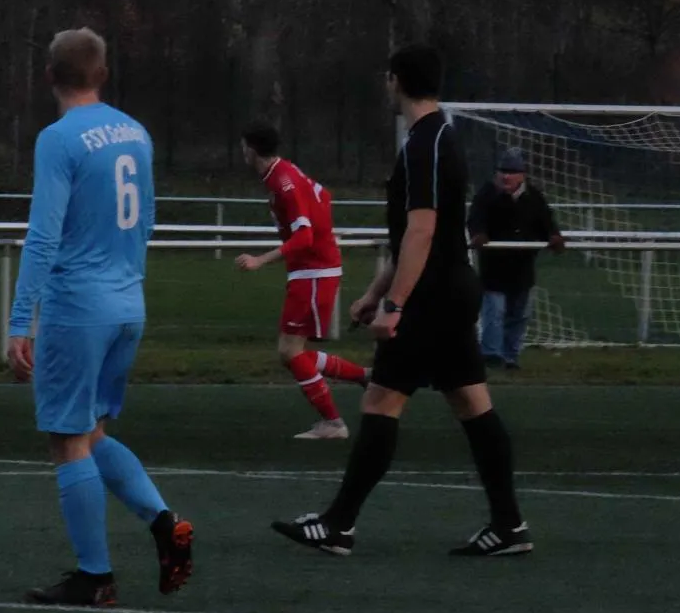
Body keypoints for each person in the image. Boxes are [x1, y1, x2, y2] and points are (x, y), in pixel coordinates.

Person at [273, 45, 531, 558]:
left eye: (387, 77)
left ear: (396, 80)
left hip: (433, 297)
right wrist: (375, 293)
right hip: (447, 290)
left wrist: (394, 304)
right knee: (471, 402)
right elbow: (417, 235)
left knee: (381, 401)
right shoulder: (431, 139)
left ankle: (338, 525)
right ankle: (509, 527)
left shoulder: (427, 143)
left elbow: (422, 232)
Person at [7, 29, 193, 607]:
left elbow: (43, 236)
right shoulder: (135, 132)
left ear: (48, 76)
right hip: (127, 303)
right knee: (92, 431)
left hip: (78, 307)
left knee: (67, 439)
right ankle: (163, 522)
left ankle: (95, 577)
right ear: (103, 74)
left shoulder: (58, 138)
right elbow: (148, 219)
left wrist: (20, 320)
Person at [233, 121, 369, 439]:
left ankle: (333, 423)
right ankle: (364, 376)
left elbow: (304, 236)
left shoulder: (283, 182)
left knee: (290, 351)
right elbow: (324, 196)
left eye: (243, 146)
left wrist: (260, 260)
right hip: (313, 270)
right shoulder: (283, 172)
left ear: (251, 150)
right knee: (293, 350)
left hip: (314, 272)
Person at [468, 148, 565, 369]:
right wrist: (478, 234)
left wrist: (553, 236)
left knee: (519, 314)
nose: (506, 176)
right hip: (493, 268)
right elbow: (475, 218)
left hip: (523, 268)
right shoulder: (486, 194)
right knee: (495, 311)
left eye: (511, 172)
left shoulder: (534, 197)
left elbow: (546, 221)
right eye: (502, 171)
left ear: (522, 175)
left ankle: (510, 356)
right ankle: (491, 355)